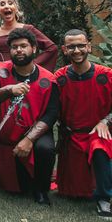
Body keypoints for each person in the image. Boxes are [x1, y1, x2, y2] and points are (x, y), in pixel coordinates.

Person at [0, 27, 57, 205]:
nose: (19, 50)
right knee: (18, 188)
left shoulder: (49, 79)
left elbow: (52, 113)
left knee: (46, 148)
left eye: (23, 46)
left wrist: (30, 139)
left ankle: (41, 190)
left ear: (34, 49)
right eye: (15, 46)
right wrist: (9, 90)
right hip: (6, 136)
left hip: (33, 133)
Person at [55, 29, 112, 218]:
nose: (77, 50)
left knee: (99, 147)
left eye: (81, 45)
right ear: (64, 49)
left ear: (88, 46)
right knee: (72, 193)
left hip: (99, 133)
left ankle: (104, 199)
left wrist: (106, 121)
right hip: (71, 137)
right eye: (71, 47)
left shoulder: (107, 75)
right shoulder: (60, 78)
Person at [0, 0, 58, 72]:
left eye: (10, 3)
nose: (6, 6)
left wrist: (31, 65)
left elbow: (52, 48)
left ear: (16, 8)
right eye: (2, 4)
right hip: (2, 75)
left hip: (23, 75)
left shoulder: (27, 29)